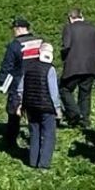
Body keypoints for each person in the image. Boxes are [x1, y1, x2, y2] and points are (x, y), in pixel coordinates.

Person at [0, 18, 40, 150]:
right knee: (35, 115)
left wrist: (1, 83)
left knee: (14, 113)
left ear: (18, 29)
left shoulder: (15, 45)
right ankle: (36, 141)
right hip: (37, 83)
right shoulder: (39, 42)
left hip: (19, 84)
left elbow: (7, 67)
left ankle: (10, 142)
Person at [21, 38, 62, 171]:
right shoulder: (50, 69)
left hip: (30, 106)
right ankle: (44, 164)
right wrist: (57, 108)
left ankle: (32, 161)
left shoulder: (28, 68)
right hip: (46, 108)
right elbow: (53, 92)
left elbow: (21, 87)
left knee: (35, 132)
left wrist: (21, 104)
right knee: (49, 134)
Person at [59, 8, 95, 129]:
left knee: (64, 89)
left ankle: (74, 114)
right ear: (81, 16)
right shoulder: (93, 28)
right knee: (85, 93)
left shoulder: (69, 28)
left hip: (74, 66)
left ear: (70, 18)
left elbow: (66, 46)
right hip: (91, 66)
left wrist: (64, 58)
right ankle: (85, 119)